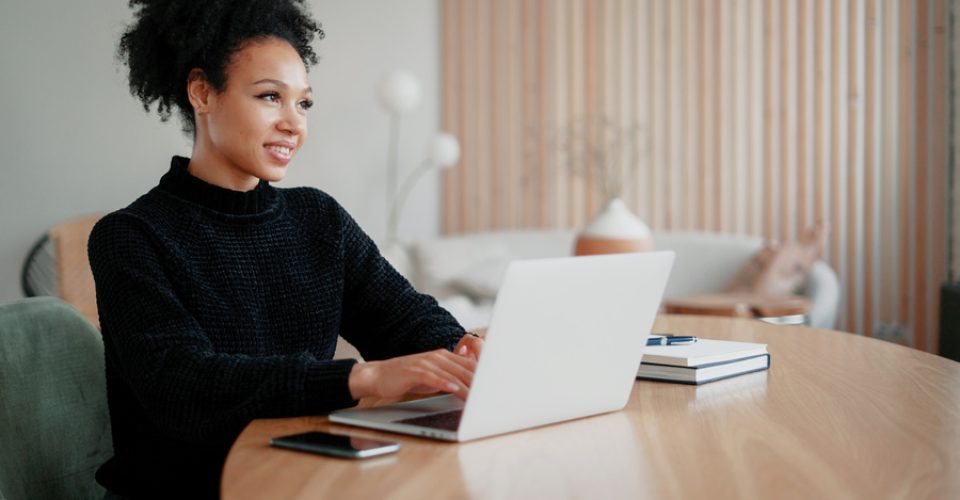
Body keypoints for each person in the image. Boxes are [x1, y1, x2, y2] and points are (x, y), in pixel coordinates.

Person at [88, 1, 482, 497]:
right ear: (202, 92)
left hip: (302, 475)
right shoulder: (130, 236)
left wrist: (461, 350)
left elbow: (405, 321)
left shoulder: (318, 218)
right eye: (270, 97)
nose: (294, 124)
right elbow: (181, 386)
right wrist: (361, 379)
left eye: (304, 103)